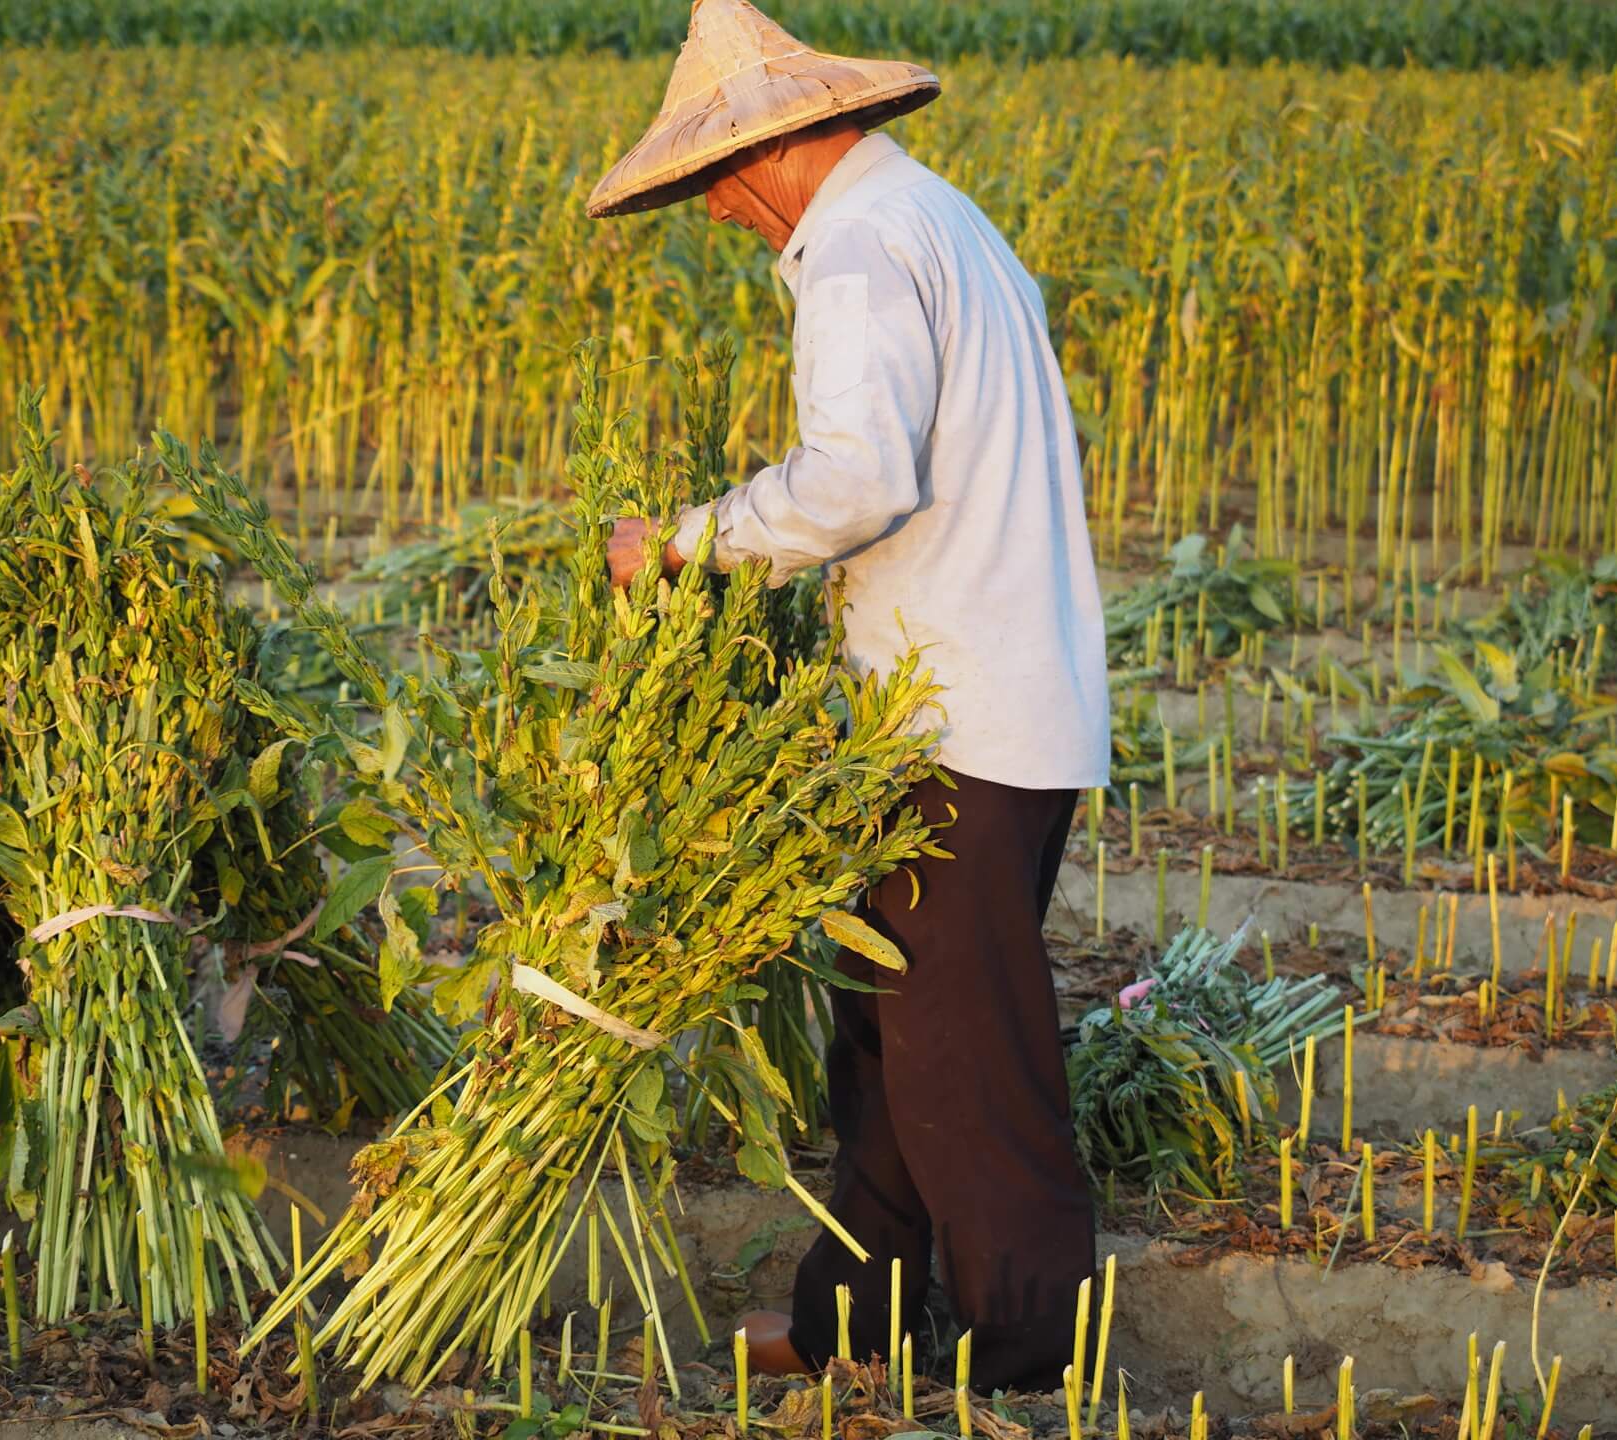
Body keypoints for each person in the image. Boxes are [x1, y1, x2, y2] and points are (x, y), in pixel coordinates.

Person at [585, 0, 1111, 1394]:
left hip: (967, 720)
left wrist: (683, 542)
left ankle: (1027, 1367)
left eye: (708, 185)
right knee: (887, 1031)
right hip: (975, 697)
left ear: (760, 155)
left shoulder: (861, 253)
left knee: (969, 1058)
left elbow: (861, 478)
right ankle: (850, 1328)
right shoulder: (937, 217)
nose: (714, 215)